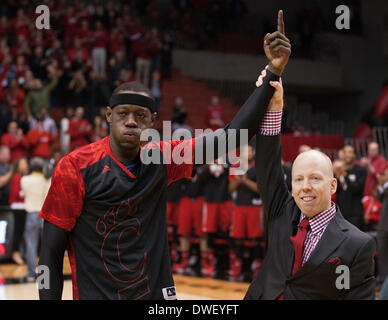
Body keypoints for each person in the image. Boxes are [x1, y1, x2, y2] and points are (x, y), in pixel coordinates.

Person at [38, 10, 291, 300]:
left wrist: (273, 72)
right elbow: (51, 251)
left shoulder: (163, 157)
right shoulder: (75, 167)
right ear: (108, 116)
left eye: (140, 116)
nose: (131, 121)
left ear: (153, 121)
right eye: (123, 114)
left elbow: (229, 138)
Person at [244, 22, 375, 298]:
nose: (305, 186)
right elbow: (268, 164)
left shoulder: (357, 244)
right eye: (299, 179)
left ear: (333, 186)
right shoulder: (281, 213)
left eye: (315, 178)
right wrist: (274, 103)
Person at [229, 145, 263, 281]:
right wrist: (237, 181)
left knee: (256, 237)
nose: (247, 153)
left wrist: (244, 180)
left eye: (249, 151)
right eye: (244, 151)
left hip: (255, 206)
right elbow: (230, 189)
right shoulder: (235, 166)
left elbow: (260, 189)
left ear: (253, 153)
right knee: (238, 237)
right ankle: (237, 266)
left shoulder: (259, 167)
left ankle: (257, 266)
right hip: (239, 206)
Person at [21, 157, 50, 281]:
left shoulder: (24, 179)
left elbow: (25, 193)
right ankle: (44, 277)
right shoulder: (46, 180)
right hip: (44, 214)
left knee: (31, 245)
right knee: (45, 247)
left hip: (31, 214)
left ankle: (31, 275)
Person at [333, 145, 366, 230]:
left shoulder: (361, 170)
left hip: (355, 213)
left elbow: (358, 189)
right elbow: (334, 191)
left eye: (350, 152)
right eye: (345, 152)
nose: (347, 154)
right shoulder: (337, 171)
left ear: (354, 155)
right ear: (342, 155)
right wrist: (337, 176)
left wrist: (345, 176)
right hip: (341, 213)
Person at [8, 157, 29, 265]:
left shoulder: (21, 177)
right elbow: (17, 193)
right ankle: (15, 253)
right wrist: (28, 192)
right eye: (23, 163)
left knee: (20, 232)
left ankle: (19, 253)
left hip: (21, 207)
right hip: (18, 207)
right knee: (18, 232)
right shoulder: (17, 177)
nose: (26, 165)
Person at [376, 168, 388, 288]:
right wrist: (381, 184)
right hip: (383, 225)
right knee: (383, 256)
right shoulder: (385, 185)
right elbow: (379, 198)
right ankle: (384, 283)